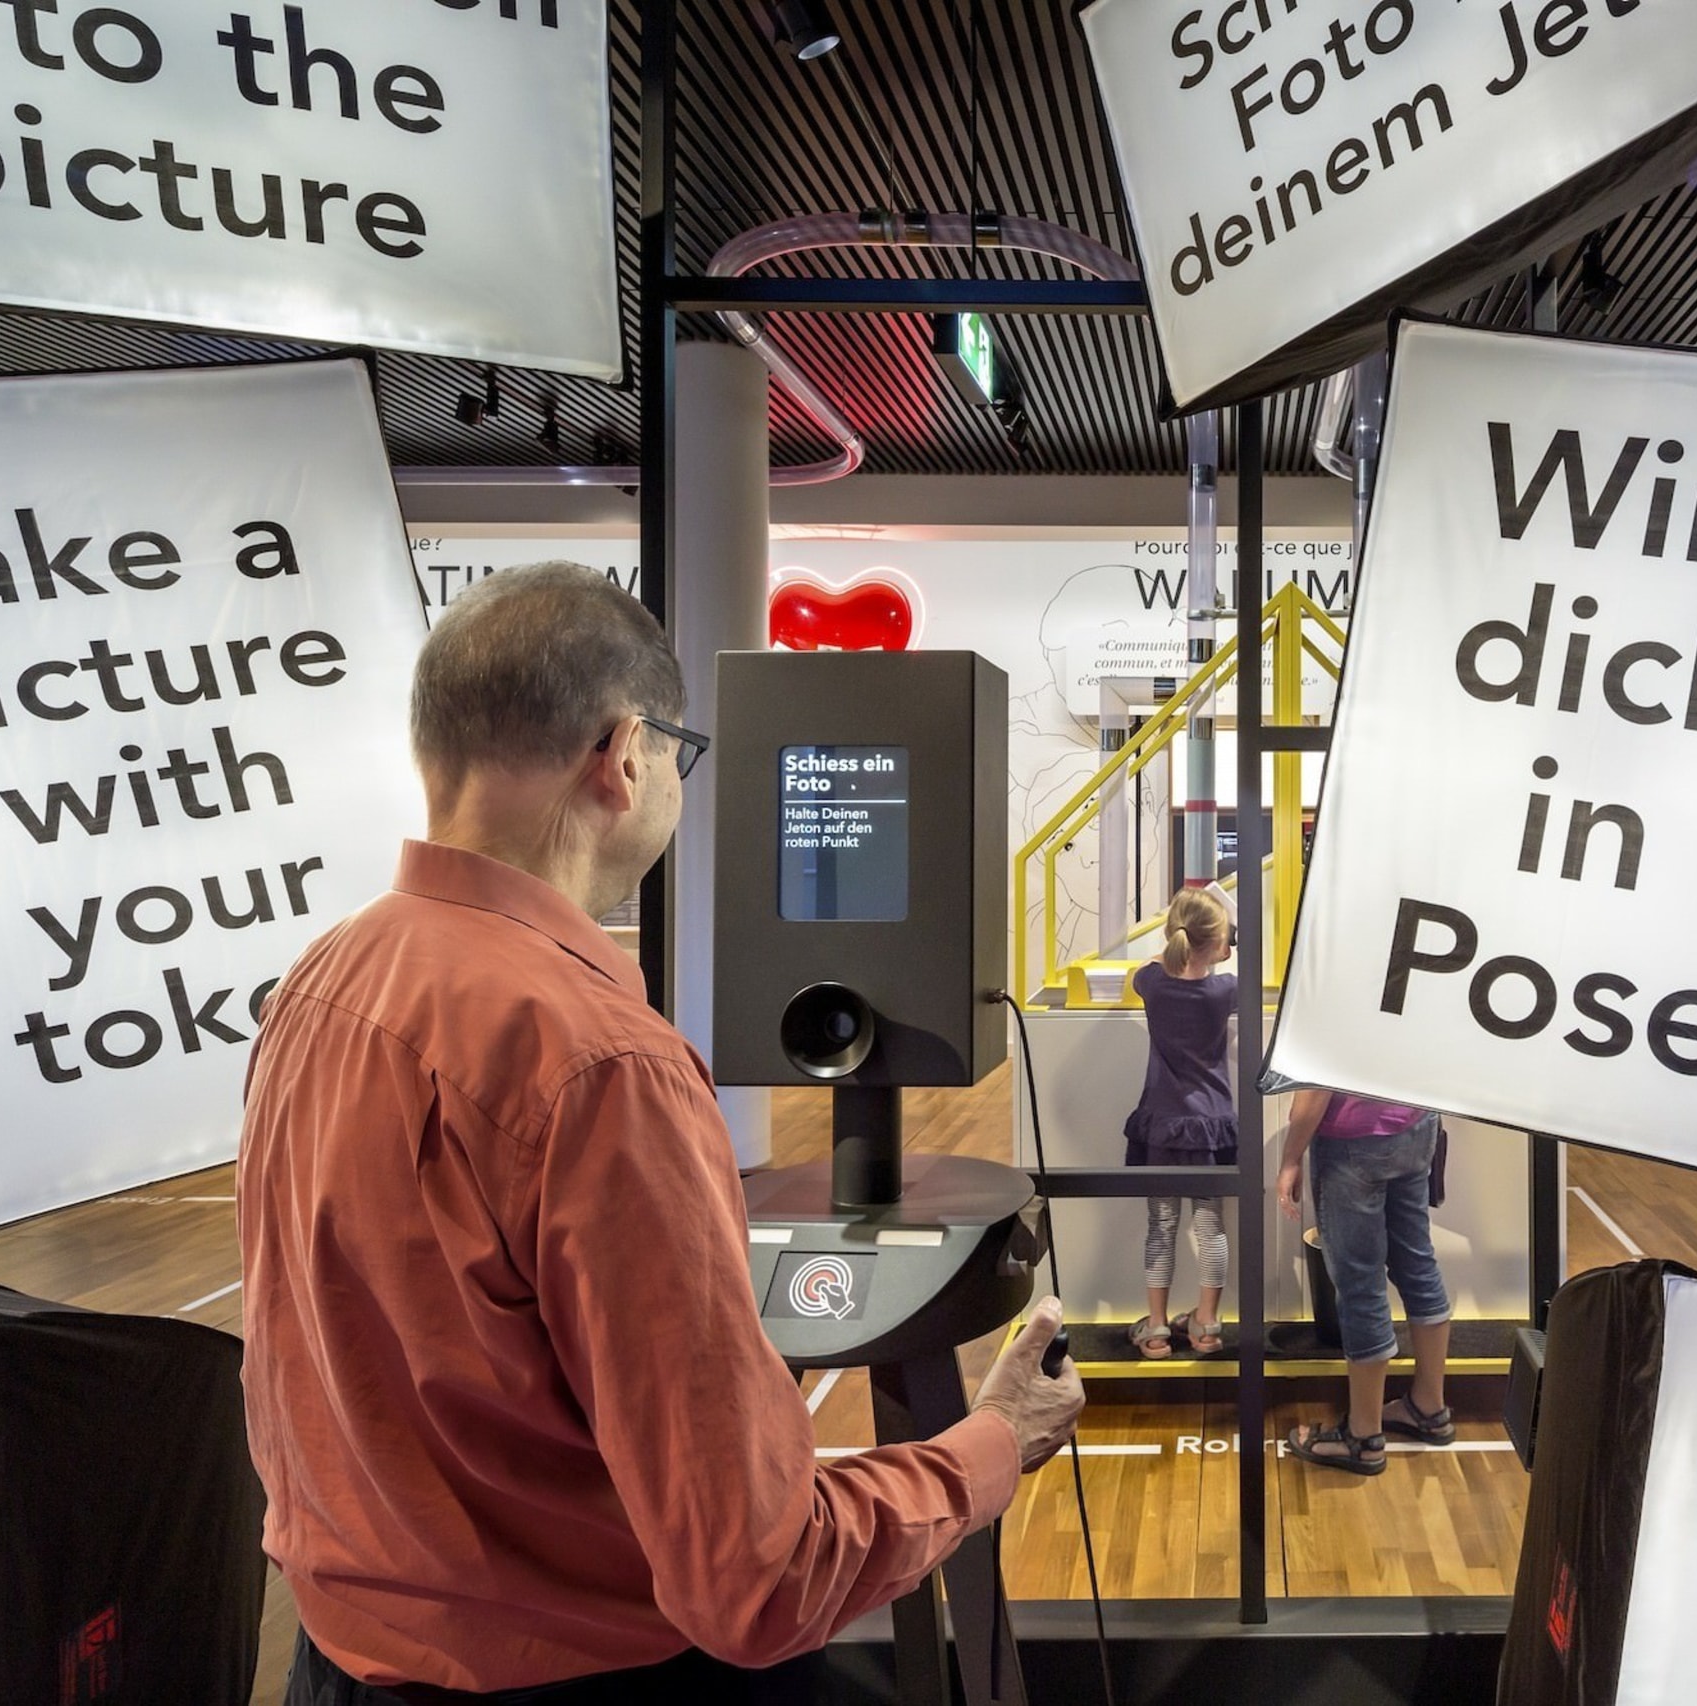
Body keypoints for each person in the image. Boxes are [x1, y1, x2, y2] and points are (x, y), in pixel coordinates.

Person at [237, 562, 1083, 1705]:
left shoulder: (319, 984)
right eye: (680, 754)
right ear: (622, 752)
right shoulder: (600, 1061)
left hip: (338, 1664)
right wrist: (993, 1442)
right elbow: (758, 1574)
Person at [1275, 1089, 1453, 1475]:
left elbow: (1317, 1084)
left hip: (1353, 1139)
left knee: (1360, 1286)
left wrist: (1290, 1157)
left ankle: (1364, 1438)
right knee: (1418, 1264)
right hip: (1418, 1119)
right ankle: (1429, 1407)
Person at [1121, 885, 1239, 1359]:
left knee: (1161, 1225)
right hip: (1212, 1124)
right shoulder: (1224, 990)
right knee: (1210, 1226)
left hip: (1163, 1124)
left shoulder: (1153, 983)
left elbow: (1142, 970)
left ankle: (1155, 1329)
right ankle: (1207, 1325)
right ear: (1217, 946)